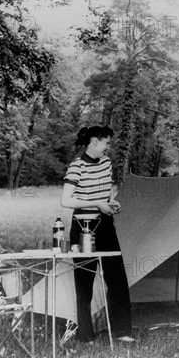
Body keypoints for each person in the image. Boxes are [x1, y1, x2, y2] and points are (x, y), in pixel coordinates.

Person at [60, 125, 133, 342]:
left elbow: (107, 194)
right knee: (84, 281)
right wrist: (97, 203)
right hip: (83, 225)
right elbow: (66, 200)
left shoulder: (106, 163)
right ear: (94, 142)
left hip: (105, 224)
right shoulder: (77, 166)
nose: (108, 148)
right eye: (106, 143)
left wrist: (111, 204)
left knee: (117, 277)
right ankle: (85, 335)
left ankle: (123, 332)